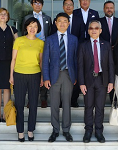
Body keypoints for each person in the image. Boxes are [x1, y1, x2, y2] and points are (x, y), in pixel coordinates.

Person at [42, 13, 78, 142]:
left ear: (68, 24)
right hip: (53, 76)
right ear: (56, 23)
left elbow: (75, 59)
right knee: (54, 104)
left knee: (67, 103)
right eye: (59, 21)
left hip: (68, 75)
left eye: (65, 21)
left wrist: (76, 76)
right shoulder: (50, 39)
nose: (62, 23)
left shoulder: (74, 39)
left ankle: (66, 130)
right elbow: (45, 60)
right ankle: (55, 130)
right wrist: (46, 77)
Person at [78, 20, 114, 143]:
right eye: (91, 28)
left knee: (100, 107)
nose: (94, 30)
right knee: (88, 107)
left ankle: (99, 131)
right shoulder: (83, 45)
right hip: (88, 80)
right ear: (88, 31)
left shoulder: (106, 45)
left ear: (100, 30)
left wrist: (111, 82)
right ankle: (88, 131)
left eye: (96, 28)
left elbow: (110, 64)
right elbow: (80, 66)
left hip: (102, 80)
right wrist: (81, 83)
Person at [9, 17, 44, 142]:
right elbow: (13, 60)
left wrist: (41, 77)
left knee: (33, 103)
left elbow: (41, 62)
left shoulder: (41, 43)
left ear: (38, 28)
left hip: (35, 75)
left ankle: (30, 130)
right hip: (19, 74)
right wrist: (11, 75)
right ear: (26, 27)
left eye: (35, 26)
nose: (32, 28)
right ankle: (20, 131)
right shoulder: (19, 40)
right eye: (30, 26)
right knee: (19, 104)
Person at [22, 0, 52, 108]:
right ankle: (31, 98)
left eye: (39, 3)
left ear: (42, 5)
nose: (37, 5)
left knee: (44, 71)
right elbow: (23, 32)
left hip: (44, 47)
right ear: (31, 5)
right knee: (32, 72)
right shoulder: (26, 18)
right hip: (31, 46)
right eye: (35, 3)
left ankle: (43, 97)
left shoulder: (47, 18)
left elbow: (49, 33)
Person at [99, 0, 118, 103]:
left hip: (117, 54)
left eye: (111, 8)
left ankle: (114, 99)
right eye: (107, 8)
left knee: (115, 75)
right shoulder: (98, 22)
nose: (109, 9)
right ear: (104, 9)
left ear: (114, 9)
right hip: (102, 53)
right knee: (104, 74)